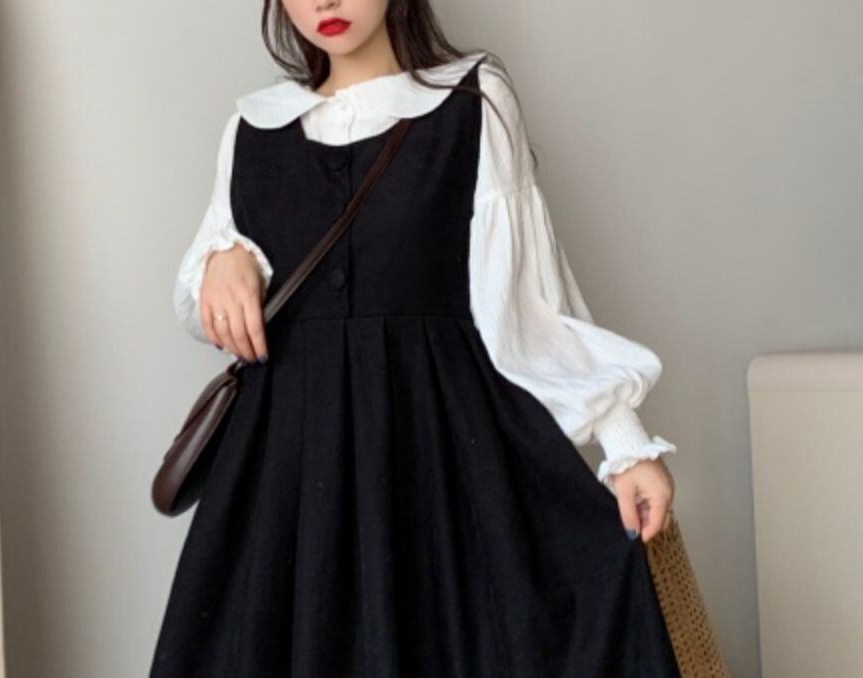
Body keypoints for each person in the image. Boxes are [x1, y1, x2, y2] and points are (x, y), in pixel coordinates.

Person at [153, 1, 680, 675]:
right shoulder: (252, 131)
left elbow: (530, 306)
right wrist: (224, 259)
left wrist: (624, 442)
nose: (325, 2)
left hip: (440, 469)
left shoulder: (472, 102)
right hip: (292, 489)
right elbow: (202, 310)